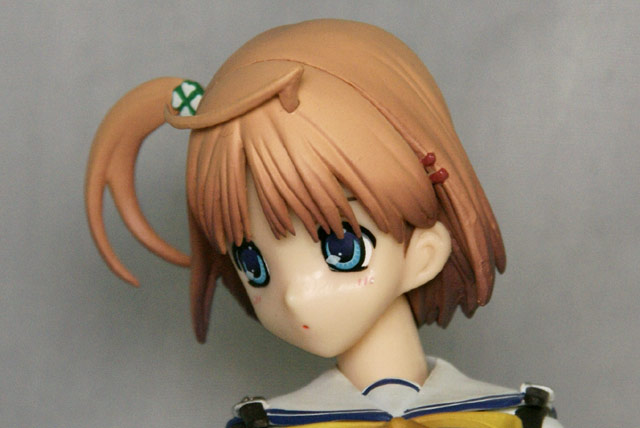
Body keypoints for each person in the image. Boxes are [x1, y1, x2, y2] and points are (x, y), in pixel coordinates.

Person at [86, 19, 562, 428]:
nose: (294, 295)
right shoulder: (267, 423)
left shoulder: (516, 417)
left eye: (342, 249)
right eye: (254, 264)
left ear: (425, 254)